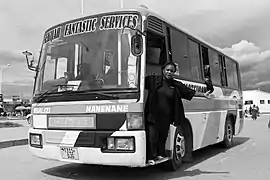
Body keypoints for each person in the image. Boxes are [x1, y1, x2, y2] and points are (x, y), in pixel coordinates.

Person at [145, 62, 212, 165]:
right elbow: (138, 81)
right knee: (152, 137)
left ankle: (159, 155)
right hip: (153, 116)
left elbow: (189, 92)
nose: (169, 72)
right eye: (167, 70)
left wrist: (203, 94)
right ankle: (150, 157)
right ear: (163, 70)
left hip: (166, 118)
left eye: (171, 71)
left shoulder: (176, 85)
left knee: (162, 137)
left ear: (174, 73)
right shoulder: (154, 80)